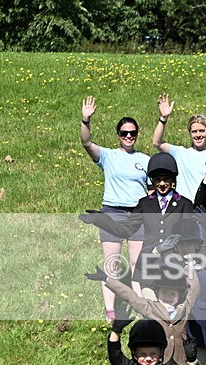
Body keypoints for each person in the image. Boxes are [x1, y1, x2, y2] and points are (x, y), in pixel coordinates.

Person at [79, 152, 194, 296]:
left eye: (166, 179)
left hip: (174, 265)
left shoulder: (185, 204)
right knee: (150, 311)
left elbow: (188, 235)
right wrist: (101, 219)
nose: (162, 184)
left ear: (173, 179)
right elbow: (126, 230)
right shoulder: (144, 204)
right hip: (149, 264)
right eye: (158, 180)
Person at [80, 96, 148, 320]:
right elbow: (86, 143)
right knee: (113, 264)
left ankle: (141, 307)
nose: (129, 136)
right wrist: (86, 121)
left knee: (138, 264)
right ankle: (111, 310)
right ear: (118, 135)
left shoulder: (144, 159)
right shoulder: (108, 156)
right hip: (113, 213)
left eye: (133, 133)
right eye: (124, 133)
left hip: (138, 215)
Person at [152, 93, 206, 201]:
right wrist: (163, 119)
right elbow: (157, 143)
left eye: (201, 131)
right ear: (189, 133)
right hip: (185, 207)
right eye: (194, 132)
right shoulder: (180, 153)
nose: (198, 135)